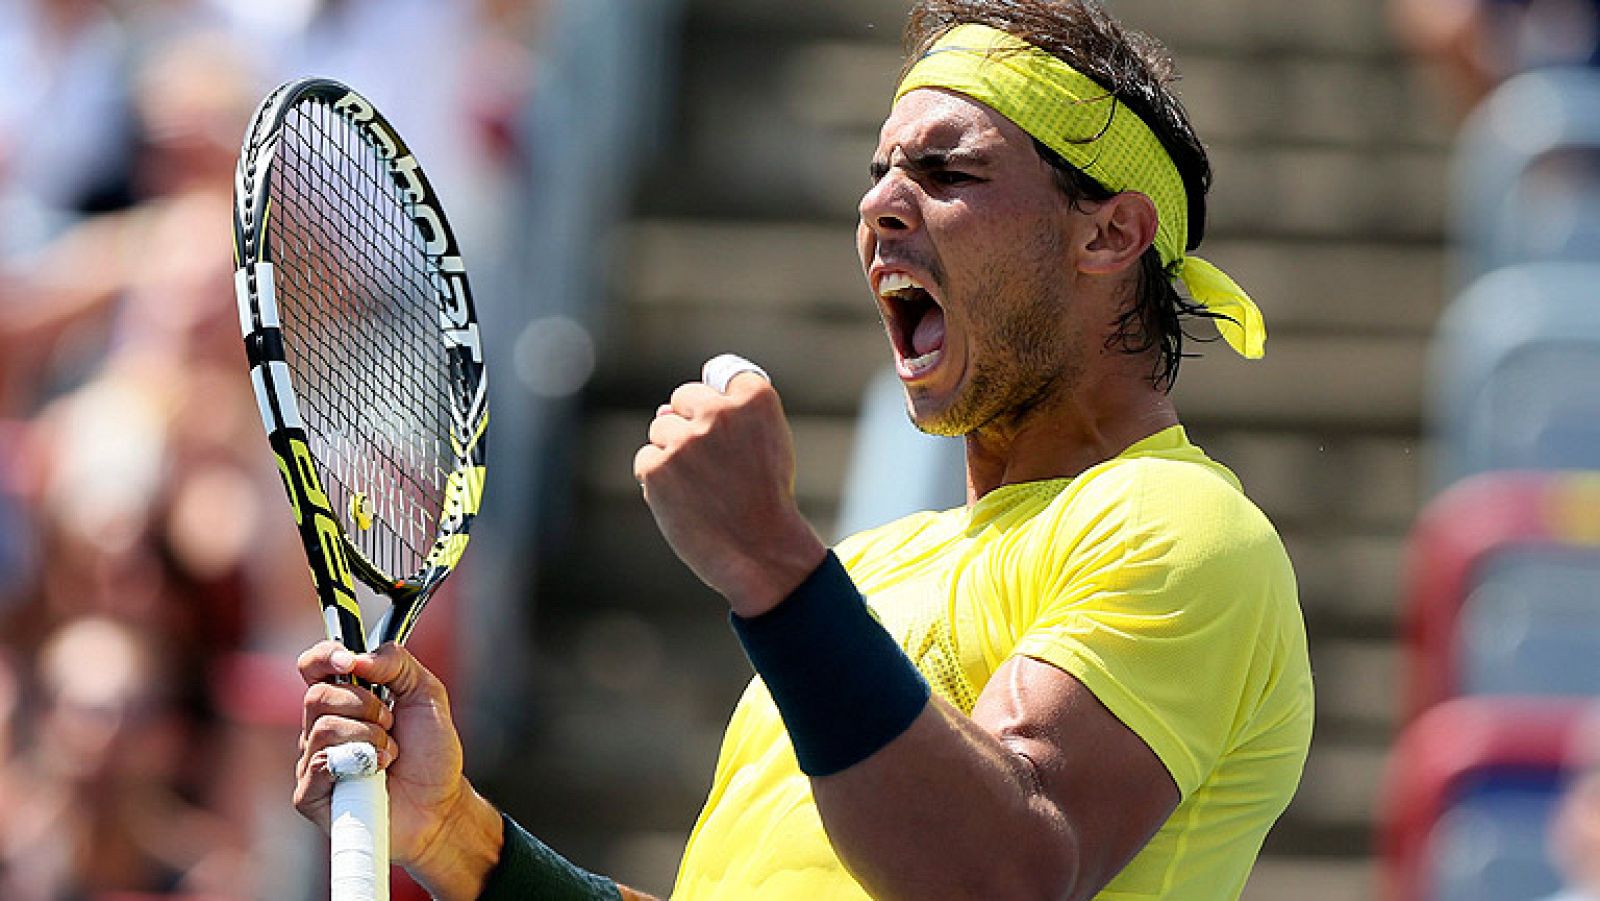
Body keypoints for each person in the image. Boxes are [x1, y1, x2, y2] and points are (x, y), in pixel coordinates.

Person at [294, 1, 1315, 898]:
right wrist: (457, 836)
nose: (877, 205)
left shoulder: (1184, 528)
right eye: (877, 174)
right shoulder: (863, 577)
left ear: (1108, 235)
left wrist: (773, 566)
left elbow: (1001, 876)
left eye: (946, 169)